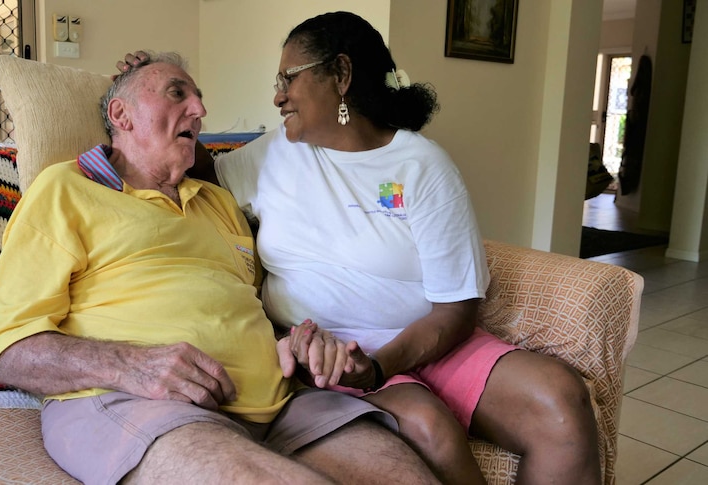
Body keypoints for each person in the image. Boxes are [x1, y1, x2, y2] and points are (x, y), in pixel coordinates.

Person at [120, 11, 601, 485]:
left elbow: (456, 307)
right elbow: (192, 168)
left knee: (562, 400)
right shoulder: (272, 155)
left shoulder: (422, 166)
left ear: (342, 74)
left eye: (288, 78)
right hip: (327, 351)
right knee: (430, 430)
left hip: (426, 340)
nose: (277, 95)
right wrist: (143, 93)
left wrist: (381, 367)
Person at [0, 51, 439, 484]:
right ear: (121, 116)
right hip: (138, 404)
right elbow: (5, 349)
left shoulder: (217, 200)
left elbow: (250, 313)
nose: (199, 108)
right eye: (178, 93)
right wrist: (132, 365)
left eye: (197, 98)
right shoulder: (65, 189)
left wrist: (298, 344)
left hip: (282, 407)